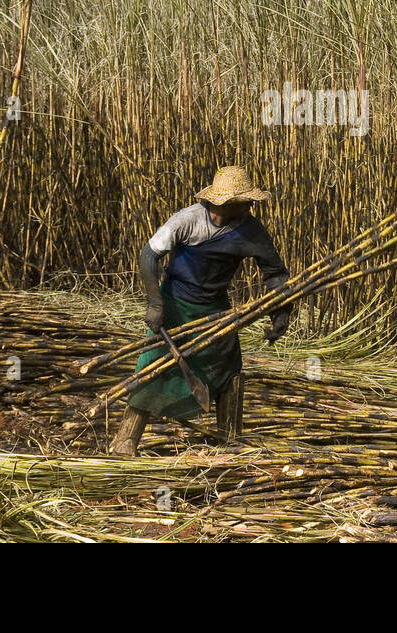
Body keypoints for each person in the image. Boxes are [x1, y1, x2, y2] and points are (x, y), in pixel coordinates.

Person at [109, 166, 293, 455]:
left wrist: (281, 312)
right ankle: (125, 440)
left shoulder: (250, 230)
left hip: (215, 310)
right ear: (225, 203)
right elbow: (149, 255)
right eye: (245, 202)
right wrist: (156, 304)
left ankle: (229, 441)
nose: (250, 206)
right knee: (152, 366)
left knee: (228, 370)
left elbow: (274, 272)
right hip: (174, 304)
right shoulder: (187, 220)